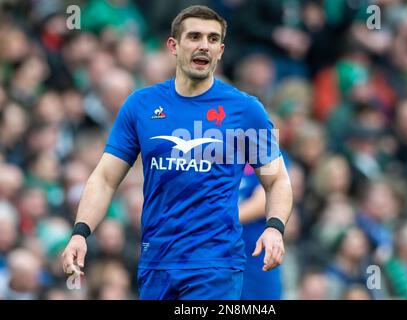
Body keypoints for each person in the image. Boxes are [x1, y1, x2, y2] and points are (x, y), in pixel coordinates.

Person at [61, 5, 292, 300]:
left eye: (212, 39)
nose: (203, 46)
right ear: (173, 45)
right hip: (156, 262)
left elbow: (278, 180)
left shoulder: (246, 110)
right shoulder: (140, 105)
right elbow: (105, 178)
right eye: (194, 36)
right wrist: (81, 232)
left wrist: (274, 228)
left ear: (220, 50)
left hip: (215, 265)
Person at [238, 163, 283, 300]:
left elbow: (263, 202)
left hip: (256, 259)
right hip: (221, 255)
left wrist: (213, 220)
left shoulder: (266, 150)